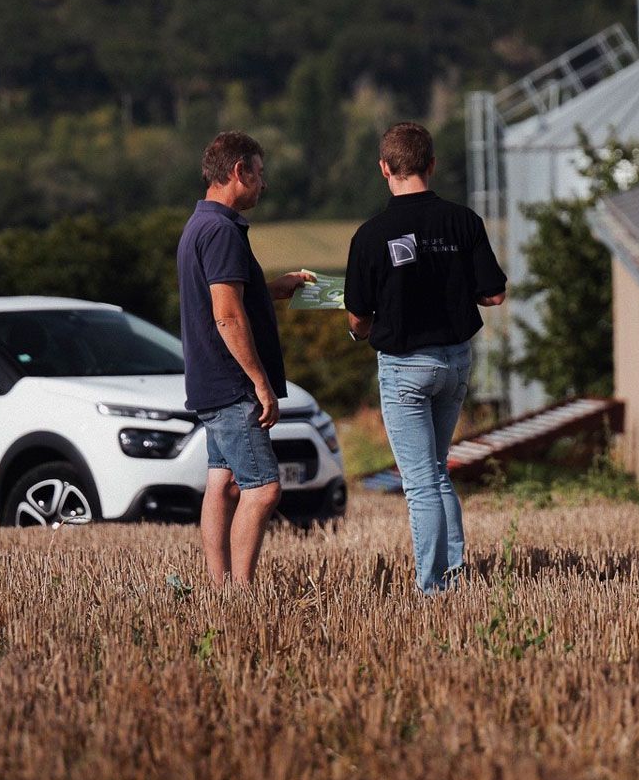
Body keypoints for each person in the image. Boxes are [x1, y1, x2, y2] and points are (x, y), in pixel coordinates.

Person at [344, 122, 506, 594]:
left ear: (384, 169)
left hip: (404, 367)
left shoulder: (370, 235)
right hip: (456, 363)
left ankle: (432, 586)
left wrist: (365, 329)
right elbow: (493, 296)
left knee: (419, 484)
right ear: (431, 165)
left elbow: (357, 316)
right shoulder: (465, 221)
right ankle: (453, 575)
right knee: (437, 473)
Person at [177, 131, 315, 586]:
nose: (264, 184)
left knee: (224, 484)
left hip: (211, 382)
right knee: (263, 489)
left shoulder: (203, 224)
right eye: (260, 173)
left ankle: (219, 588)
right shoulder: (221, 232)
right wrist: (258, 381)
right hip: (233, 385)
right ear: (240, 172)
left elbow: (235, 294)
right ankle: (241, 593)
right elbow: (228, 315)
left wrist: (281, 286)